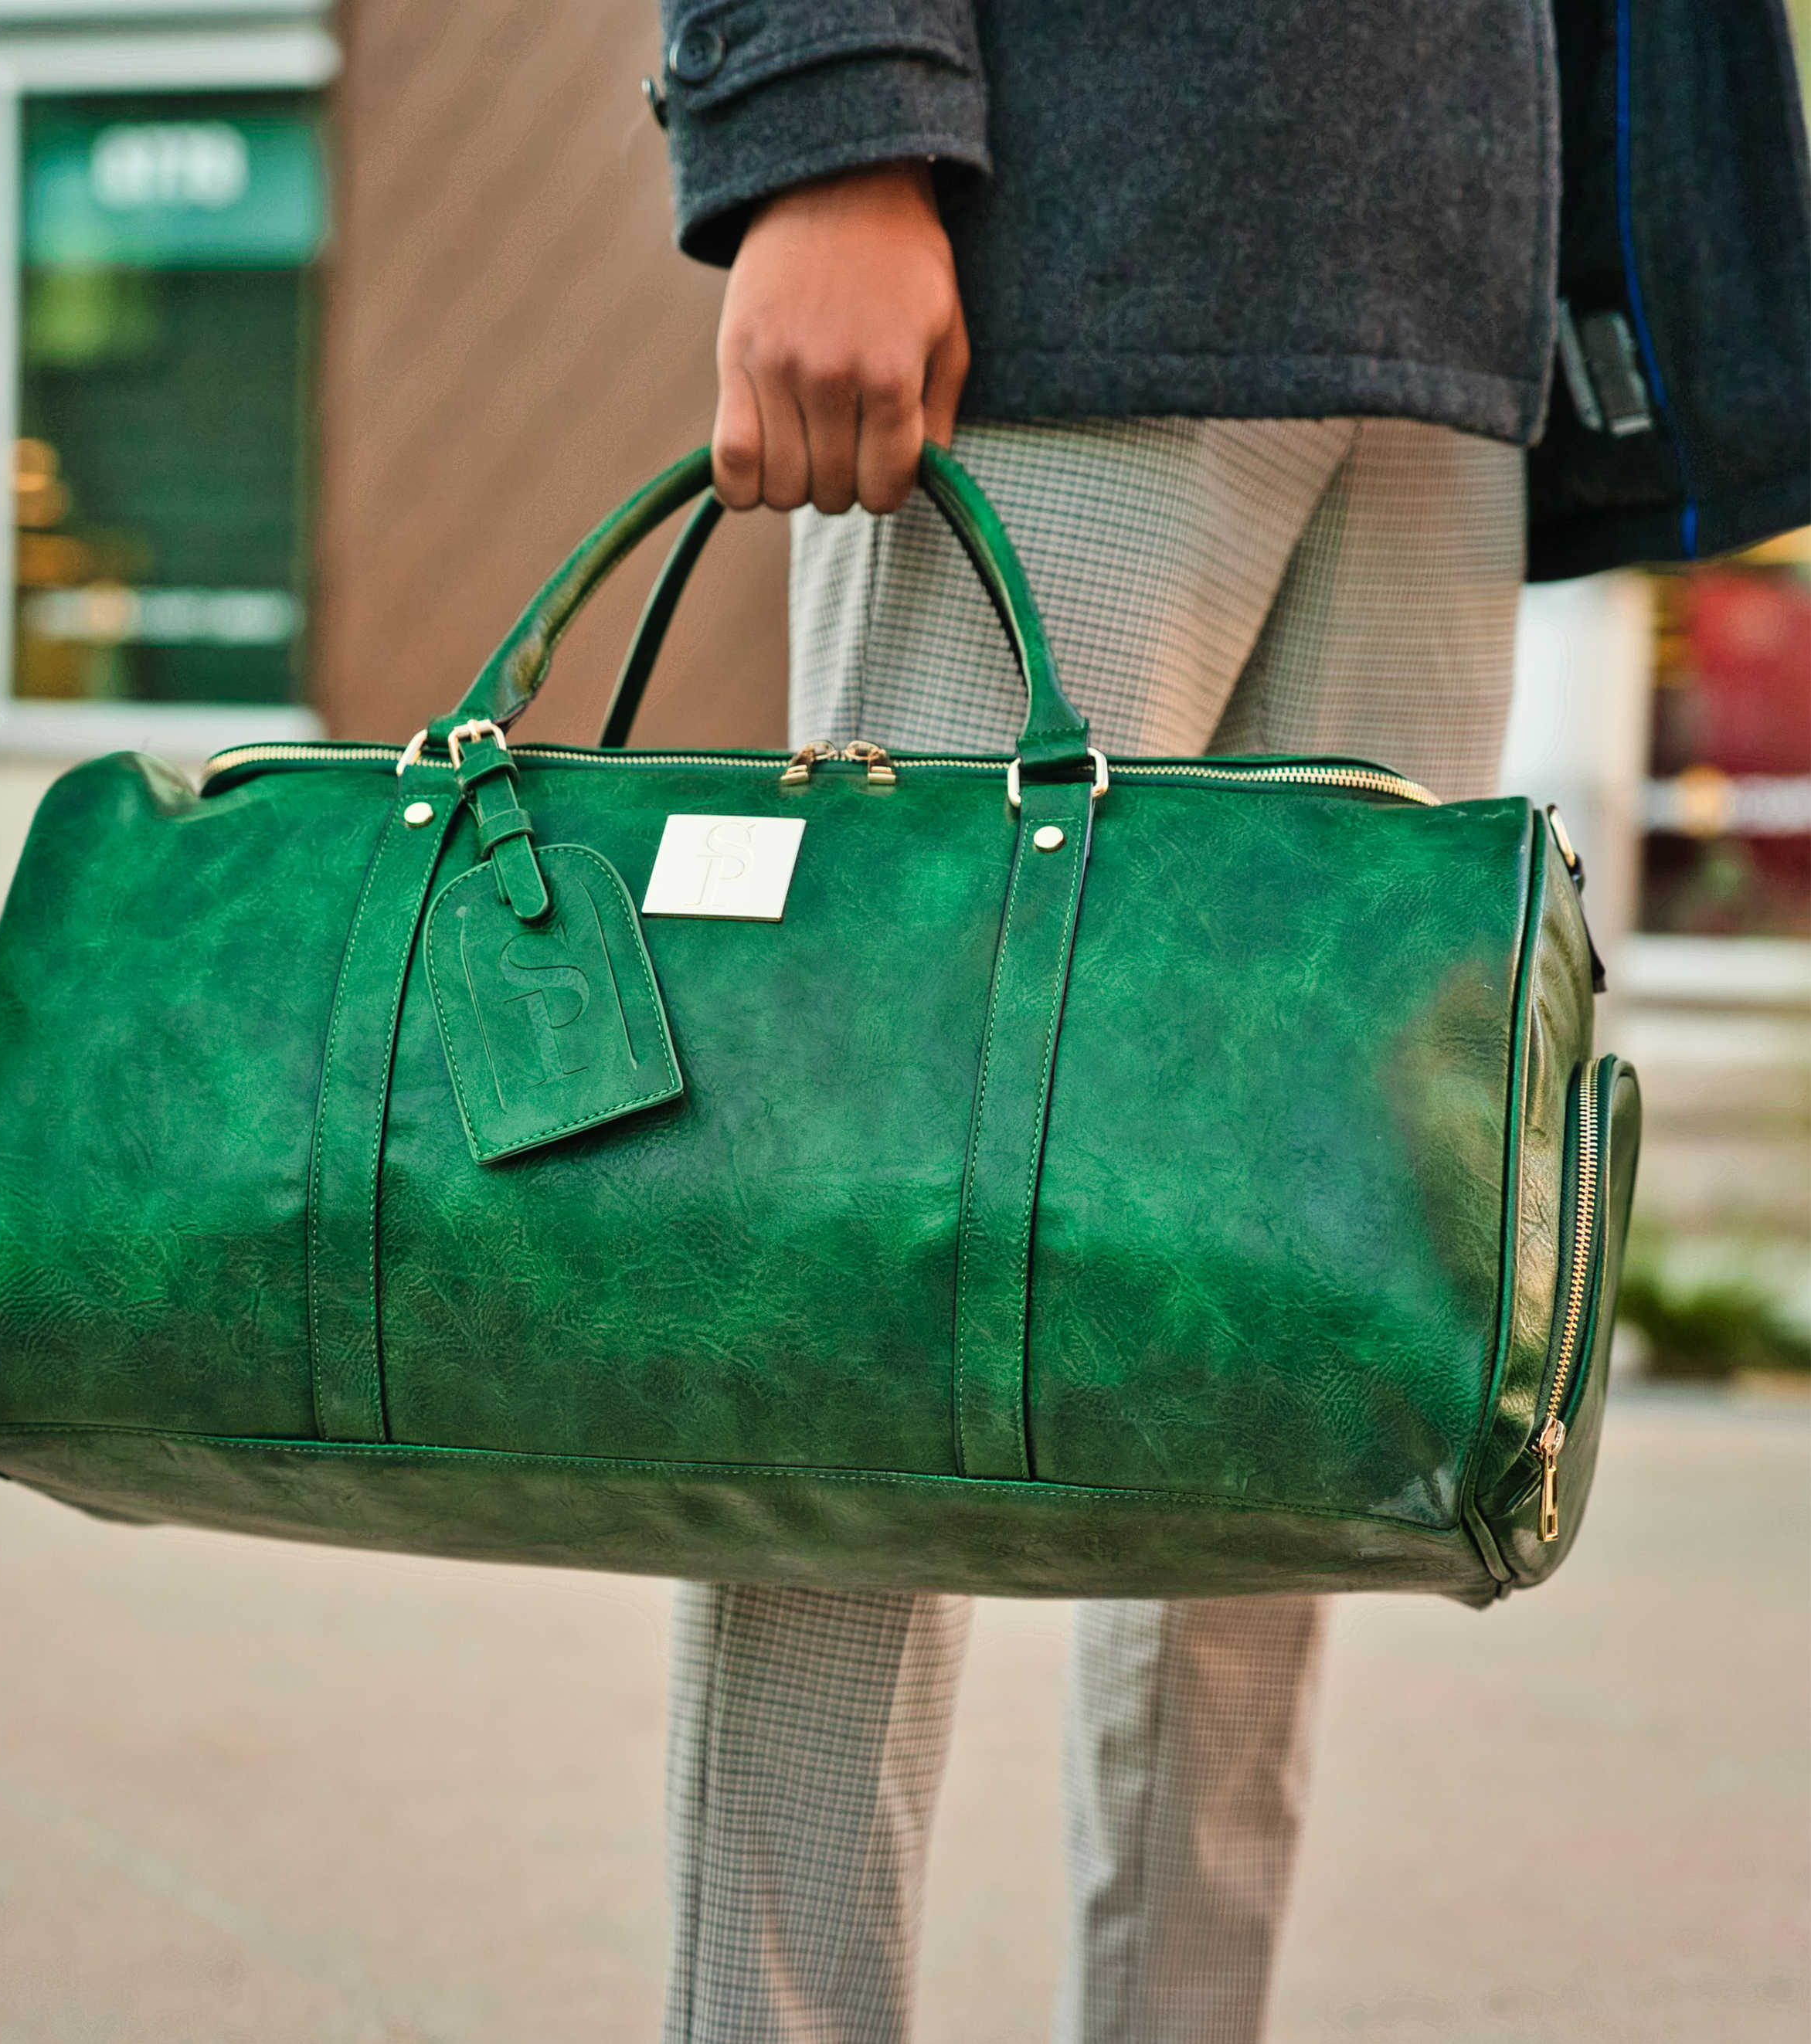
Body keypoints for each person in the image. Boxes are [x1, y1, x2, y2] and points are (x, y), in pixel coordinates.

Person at [647, 5, 1809, 2039]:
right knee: (862, 1307)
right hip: (1069, 257)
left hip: (1447, 321)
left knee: (1294, 1344)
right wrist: (825, 112)